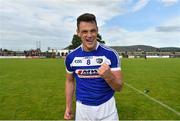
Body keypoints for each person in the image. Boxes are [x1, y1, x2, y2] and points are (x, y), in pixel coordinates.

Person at [64, 13, 123, 120]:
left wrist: (109, 76)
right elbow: (69, 81)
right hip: (83, 110)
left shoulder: (111, 54)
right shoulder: (71, 57)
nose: (89, 35)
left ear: (97, 30)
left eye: (93, 30)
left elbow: (119, 87)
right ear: (78, 33)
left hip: (107, 108)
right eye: (84, 31)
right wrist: (68, 106)